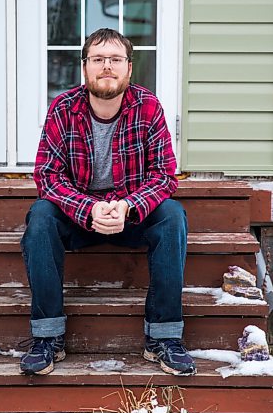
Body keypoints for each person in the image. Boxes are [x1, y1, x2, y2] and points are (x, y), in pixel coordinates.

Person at [20, 28, 196, 377]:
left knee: (173, 215)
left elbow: (164, 176)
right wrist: (88, 208)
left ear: (129, 68)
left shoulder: (148, 106)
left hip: (132, 216)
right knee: (40, 216)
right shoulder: (63, 108)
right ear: (84, 68)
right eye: (98, 59)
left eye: (115, 59)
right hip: (79, 218)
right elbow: (47, 175)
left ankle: (162, 338)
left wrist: (129, 205)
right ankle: (48, 338)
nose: (107, 67)